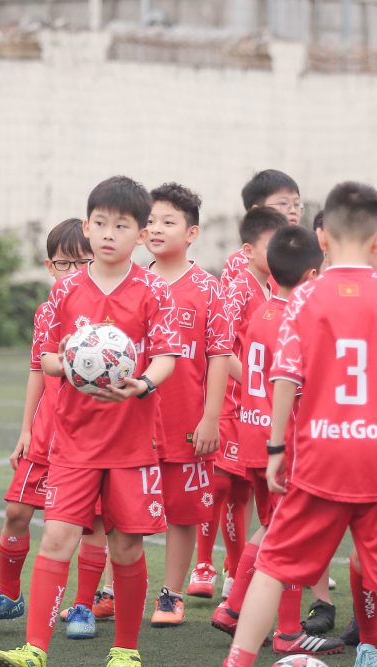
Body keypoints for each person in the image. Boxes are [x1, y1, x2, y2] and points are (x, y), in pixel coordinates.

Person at [216, 181, 377, 667]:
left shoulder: (306, 296)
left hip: (322, 454)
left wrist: (277, 446)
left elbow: (285, 376)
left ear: (322, 238)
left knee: (273, 568)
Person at [0, 176, 181, 667]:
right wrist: (71, 364)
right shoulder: (66, 290)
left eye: (122, 225)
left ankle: (126, 651)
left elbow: (167, 357)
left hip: (133, 444)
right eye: (101, 223)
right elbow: (47, 357)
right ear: (88, 226)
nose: (109, 233)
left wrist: (141, 383)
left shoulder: (154, 291)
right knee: (56, 539)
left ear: (140, 235)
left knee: (126, 548)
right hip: (73, 441)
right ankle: (34, 651)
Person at [0, 219, 96, 631]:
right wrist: (25, 430)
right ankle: (8, 595)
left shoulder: (106, 311)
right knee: (17, 512)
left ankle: (84, 606)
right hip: (47, 433)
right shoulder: (47, 312)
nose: (74, 271)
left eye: (83, 262)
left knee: (93, 523)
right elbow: (38, 370)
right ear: (50, 267)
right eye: (64, 263)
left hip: (93, 436)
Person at [213, 226, 343, 656]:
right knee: (291, 535)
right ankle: (288, 631)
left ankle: (233, 609)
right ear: (311, 275)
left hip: (253, 436)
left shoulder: (263, 312)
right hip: (283, 444)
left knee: (272, 528)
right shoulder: (297, 321)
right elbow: (300, 387)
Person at [144, 183, 232, 627]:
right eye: (150, 221)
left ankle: (171, 595)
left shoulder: (208, 289)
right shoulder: (131, 282)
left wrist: (210, 417)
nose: (156, 229)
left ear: (192, 233)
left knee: (181, 513)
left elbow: (219, 355)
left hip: (186, 422)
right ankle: (108, 591)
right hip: (133, 421)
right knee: (122, 511)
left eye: (168, 221)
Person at [197, 208, 287, 605]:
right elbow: (219, 344)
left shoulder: (272, 288)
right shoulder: (237, 288)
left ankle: (236, 575)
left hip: (256, 406)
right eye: (271, 246)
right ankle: (211, 569)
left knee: (243, 493)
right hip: (235, 405)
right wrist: (254, 382)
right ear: (248, 251)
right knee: (221, 486)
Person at [219, 170, 303, 289]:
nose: (293, 210)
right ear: (257, 211)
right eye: (283, 203)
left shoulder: (309, 252)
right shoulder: (238, 262)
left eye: (297, 204)